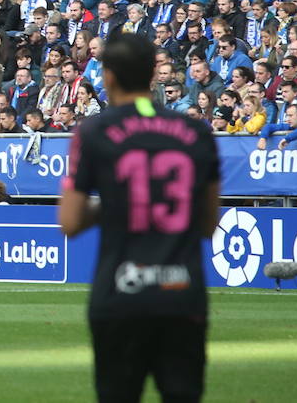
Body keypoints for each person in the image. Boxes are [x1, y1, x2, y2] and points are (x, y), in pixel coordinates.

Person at [59, 33, 221, 403]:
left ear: (108, 76)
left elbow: (69, 222)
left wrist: (117, 203)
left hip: (120, 294)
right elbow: (209, 224)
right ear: (153, 73)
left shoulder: (94, 131)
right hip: (182, 295)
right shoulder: (196, 131)